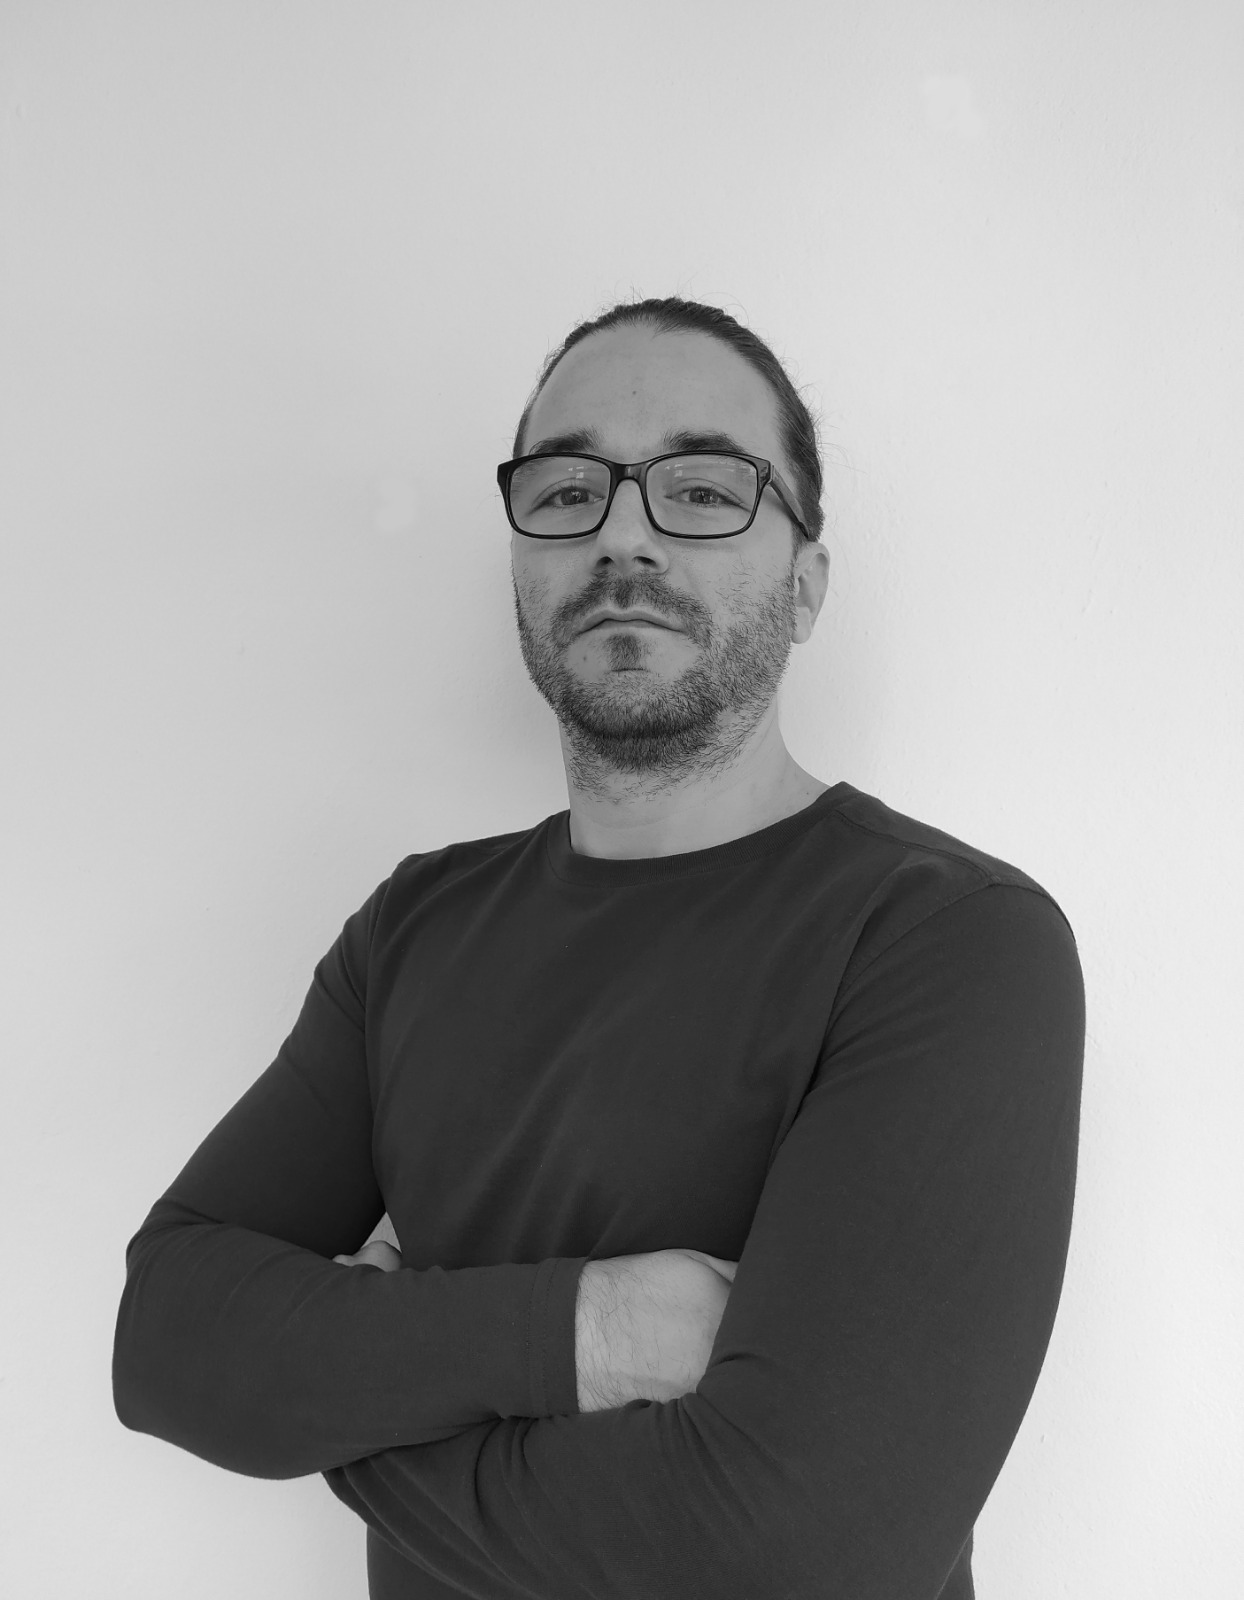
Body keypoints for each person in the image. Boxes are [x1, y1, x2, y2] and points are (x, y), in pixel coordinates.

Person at [112, 296, 1085, 1600]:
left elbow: (793, 1554)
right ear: (522, 564)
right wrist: (593, 1331)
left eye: (703, 490)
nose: (624, 533)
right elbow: (167, 1340)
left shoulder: (947, 938)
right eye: (568, 492)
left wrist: (342, 1416)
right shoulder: (414, 928)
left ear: (807, 587)